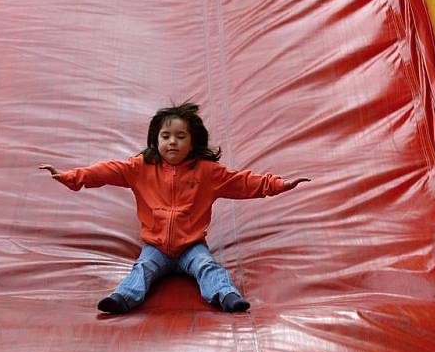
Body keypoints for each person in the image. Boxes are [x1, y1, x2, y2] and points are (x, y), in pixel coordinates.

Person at [39, 102, 310, 314]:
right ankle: (122, 298)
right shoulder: (140, 168)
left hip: (190, 245)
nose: (172, 142)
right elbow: (106, 171)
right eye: (165, 136)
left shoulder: (207, 172)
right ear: (155, 140)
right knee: (143, 268)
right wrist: (71, 177)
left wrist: (277, 184)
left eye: (180, 136)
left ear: (193, 142)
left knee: (207, 267)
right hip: (155, 245)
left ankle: (227, 296)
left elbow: (242, 182)